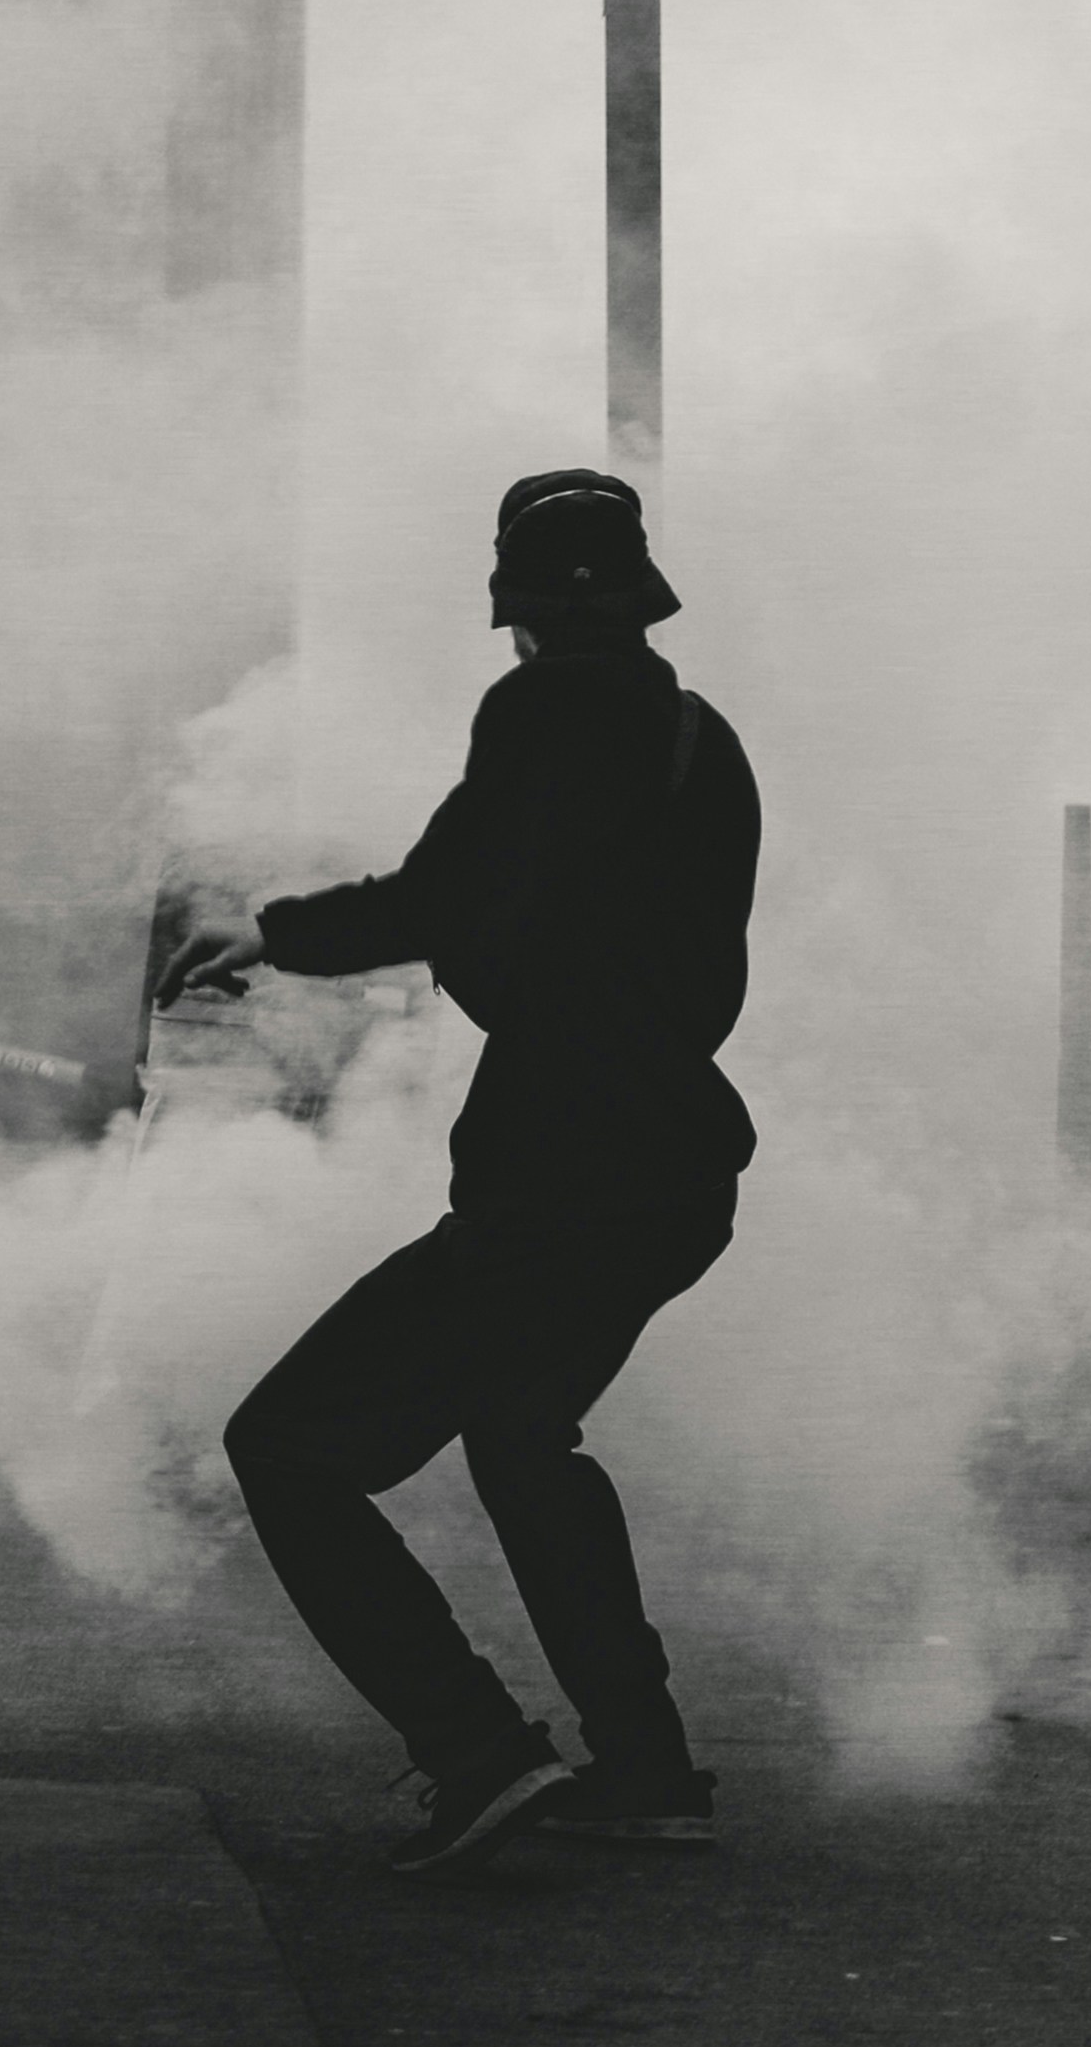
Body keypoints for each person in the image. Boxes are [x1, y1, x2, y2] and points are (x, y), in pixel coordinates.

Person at [156, 470, 760, 1875]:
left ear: (522, 612)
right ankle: (647, 1766)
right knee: (522, 1435)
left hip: (566, 1176)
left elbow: (450, 895)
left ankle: (477, 1750)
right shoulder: (697, 738)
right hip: (672, 1166)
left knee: (290, 1449)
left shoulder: (548, 709)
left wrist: (270, 937)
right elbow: (656, 959)